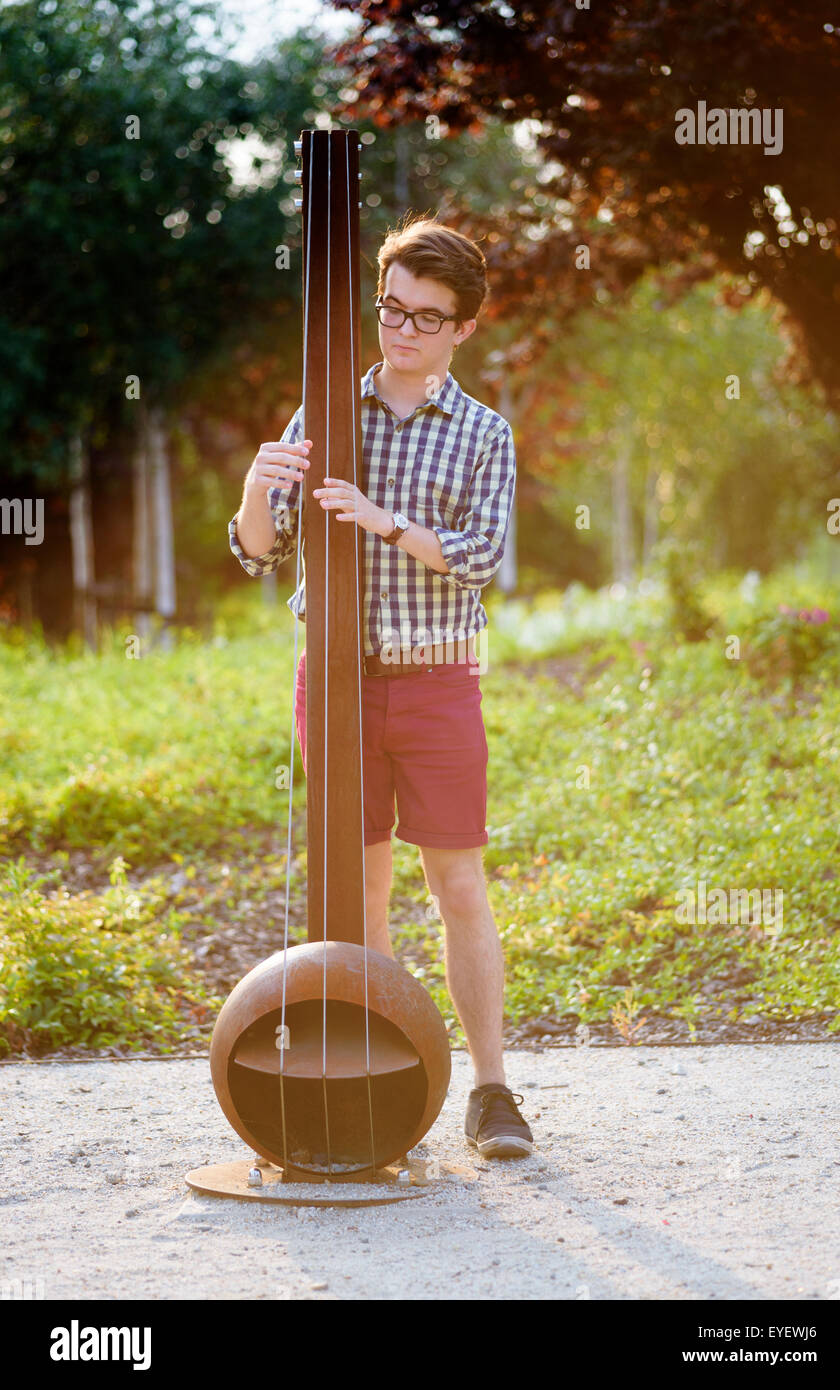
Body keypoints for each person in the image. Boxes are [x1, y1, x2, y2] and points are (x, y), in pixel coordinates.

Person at [229, 216, 532, 1159]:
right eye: (390, 308)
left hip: (439, 680)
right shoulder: (323, 412)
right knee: (357, 891)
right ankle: (383, 1077)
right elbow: (258, 551)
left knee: (457, 885)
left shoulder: (483, 433)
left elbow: (478, 555)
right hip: (335, 682)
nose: (401, 330)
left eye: (425, 317)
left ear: (462, 328)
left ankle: (490, 1091)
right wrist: (255, 486)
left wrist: (379, 520)